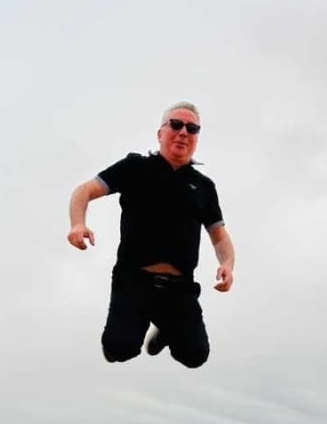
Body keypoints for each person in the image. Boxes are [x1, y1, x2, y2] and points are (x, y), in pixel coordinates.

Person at [67, 101, 235, 368]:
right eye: (176, 125)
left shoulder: (203, 187)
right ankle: (143, 327)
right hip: (135, 279)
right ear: (160, 133)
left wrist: (226, 264)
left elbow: (219, 235)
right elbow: (83, 191)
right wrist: (78, 224)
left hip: (179, 287)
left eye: (191, 129)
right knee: (119, 349)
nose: (183, 132)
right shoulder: (135, 167)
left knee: (195, 356)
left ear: (196, 139)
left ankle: (166, 328)